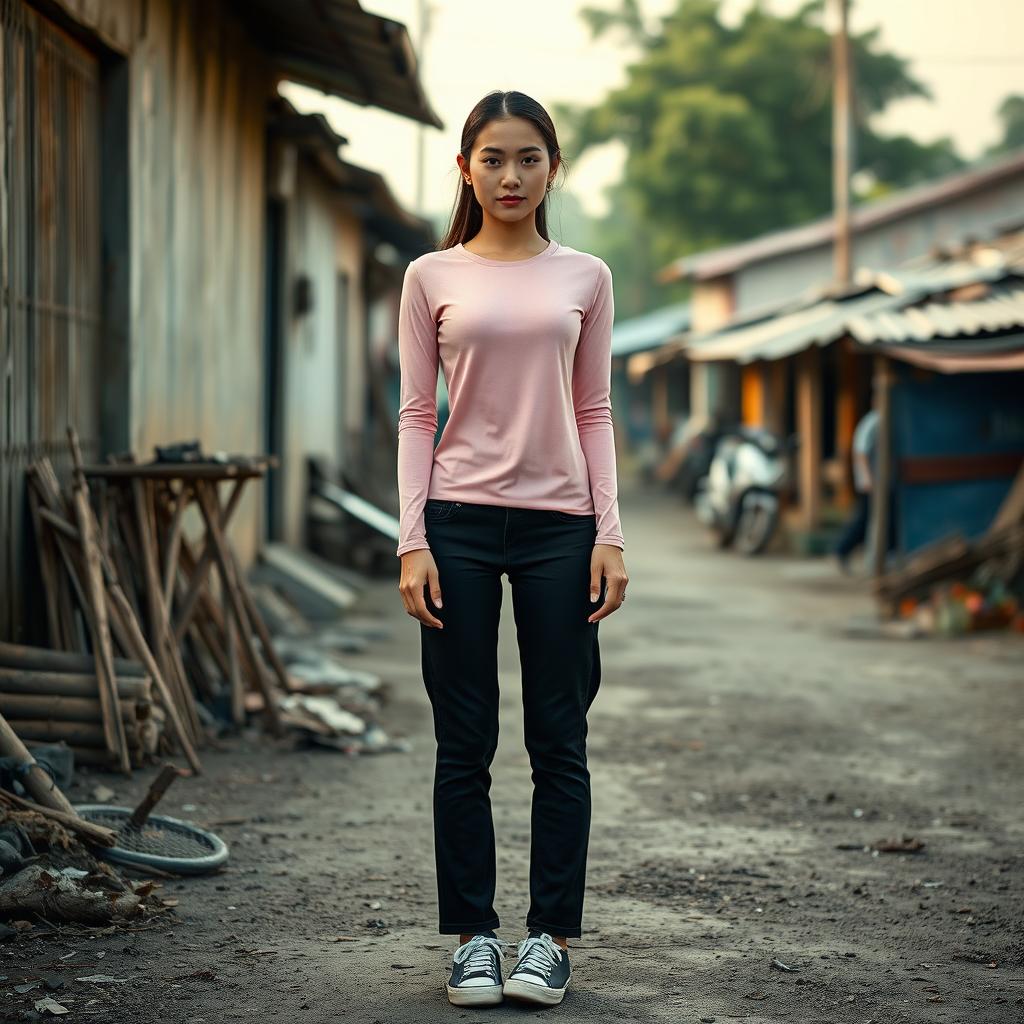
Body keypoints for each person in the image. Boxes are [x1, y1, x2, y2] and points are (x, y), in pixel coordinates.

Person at [395, 90, 628, 1008]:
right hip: (454, 520)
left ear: (552, 168)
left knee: (557, 740)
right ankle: (474, 940)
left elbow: (594, 410)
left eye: (528, 158)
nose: (510, 176)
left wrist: (609, 532)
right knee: (465, 743)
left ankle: (549, 941)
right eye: (493, 159)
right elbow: (417, 415)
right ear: (466, 168)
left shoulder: (588, 277)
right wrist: (413, 539)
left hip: (560, 531)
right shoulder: (429, 276)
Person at [834, 402, 879, 573]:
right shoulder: (873, 421)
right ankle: (842, 550)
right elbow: (861, 452)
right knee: (864, 518)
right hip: (870, 483)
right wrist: (867, 478)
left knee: (869, 518)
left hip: (878, 482)